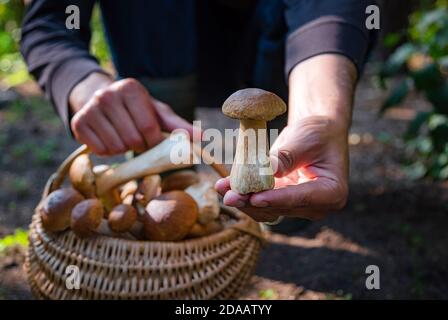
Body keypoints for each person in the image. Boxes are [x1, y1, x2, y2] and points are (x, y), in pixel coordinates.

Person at [20, 0, 376, 223]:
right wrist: (85, 85)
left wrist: (319, 115)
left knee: (286, 210)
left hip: (274, 47)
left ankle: (294, 149)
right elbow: (45, 22)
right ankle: (166, 175)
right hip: (158, 48)